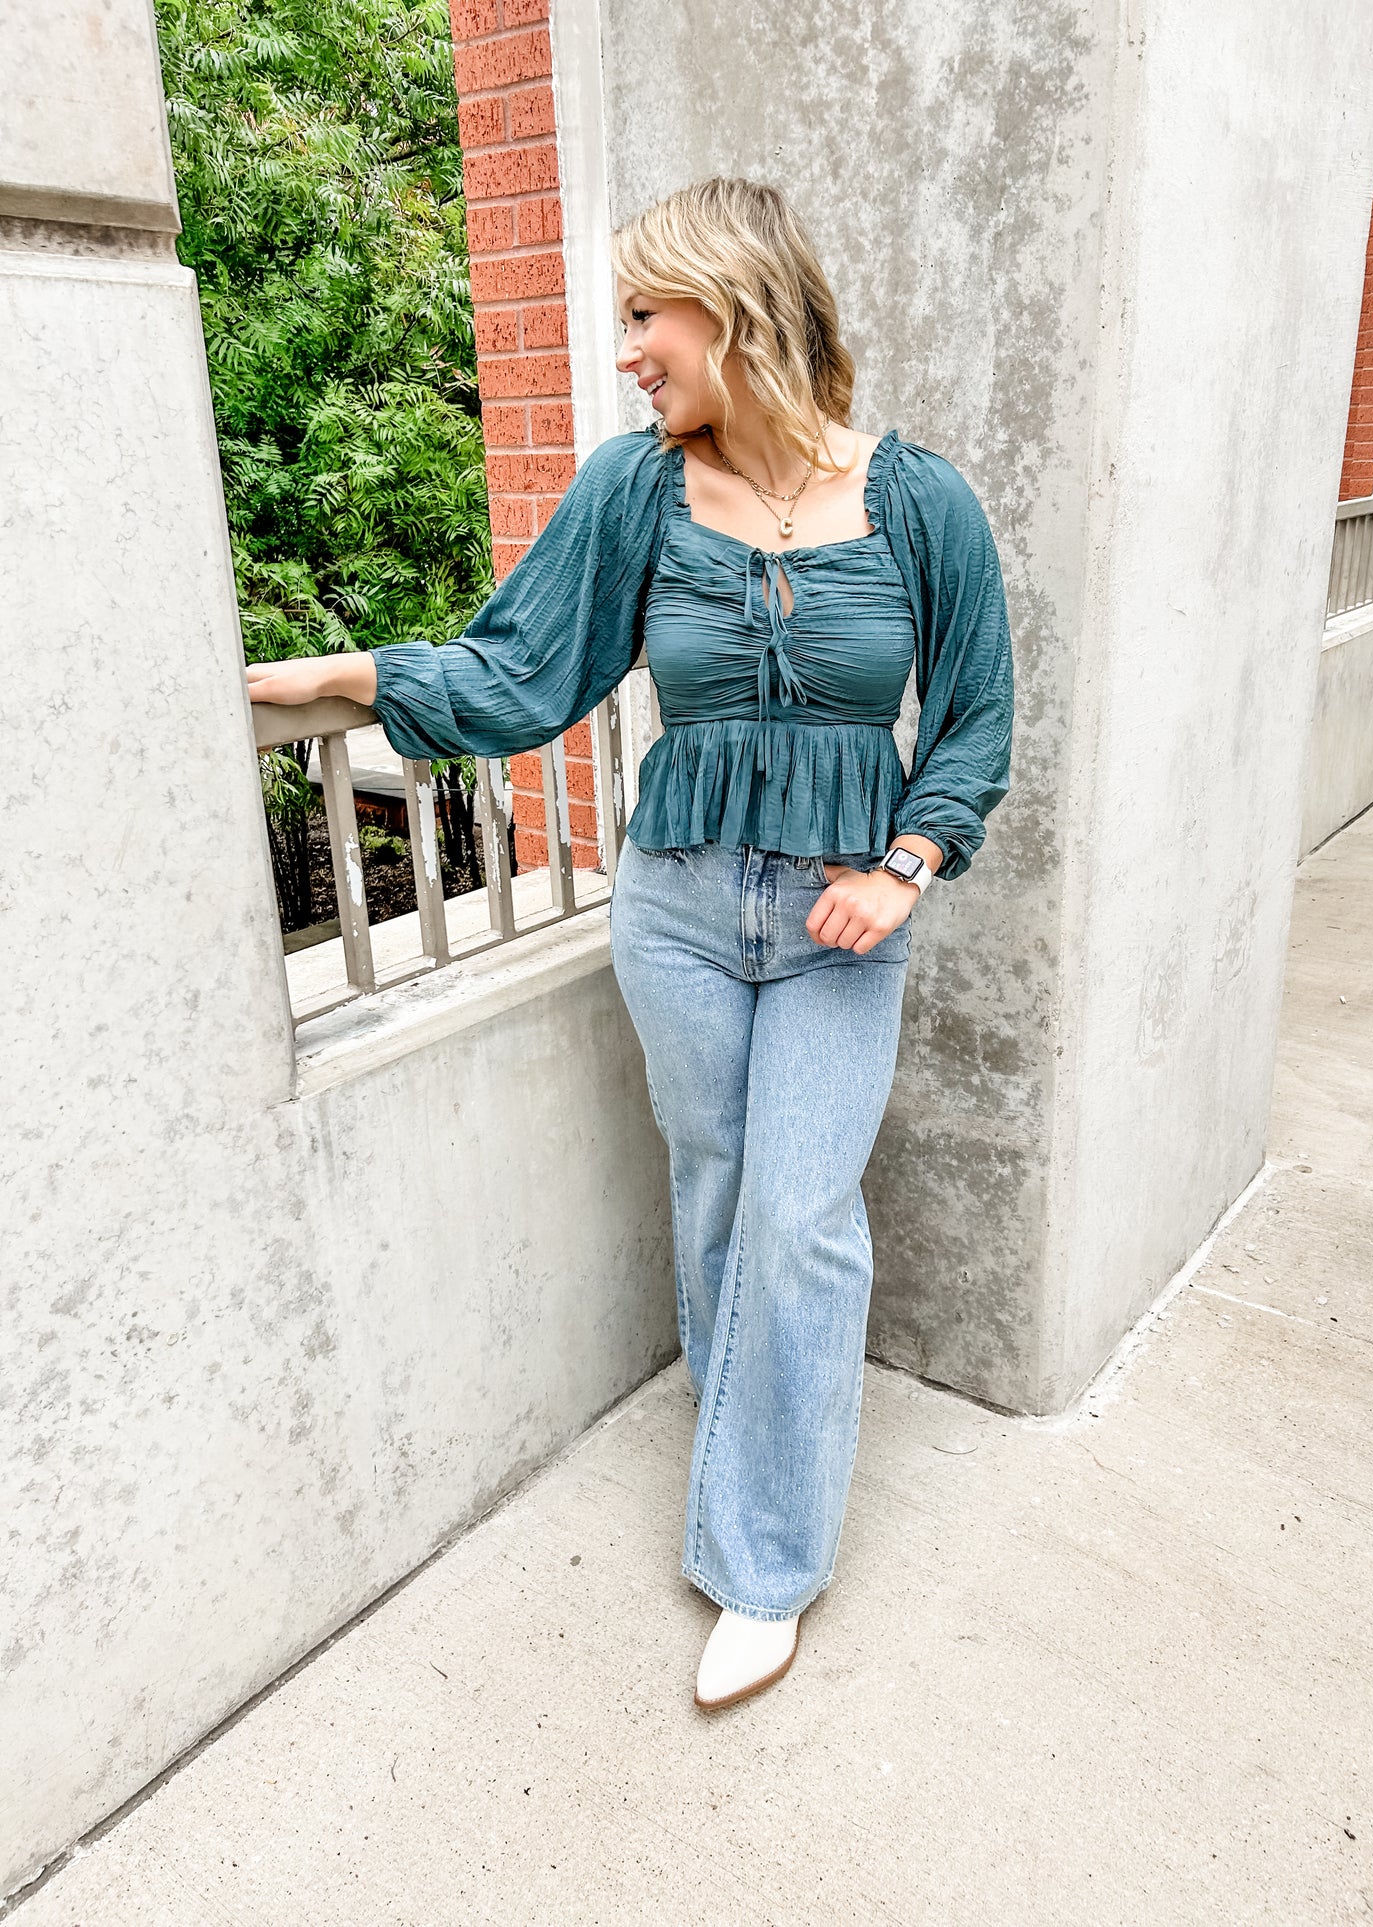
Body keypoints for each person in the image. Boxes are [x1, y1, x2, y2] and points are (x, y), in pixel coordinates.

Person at [247, 176, 1013, 1711]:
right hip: (672, 902)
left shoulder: (921, 501)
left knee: (801, 1218)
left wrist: (910, 862)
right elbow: (522, 672)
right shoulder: (633, 491)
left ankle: (763, 1564)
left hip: (836, 920)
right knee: (722, 1190)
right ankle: (753, 1466)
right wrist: (312, 673)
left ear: (732, 311)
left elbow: (977, 717)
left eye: (644, 317)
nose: (626, 354)